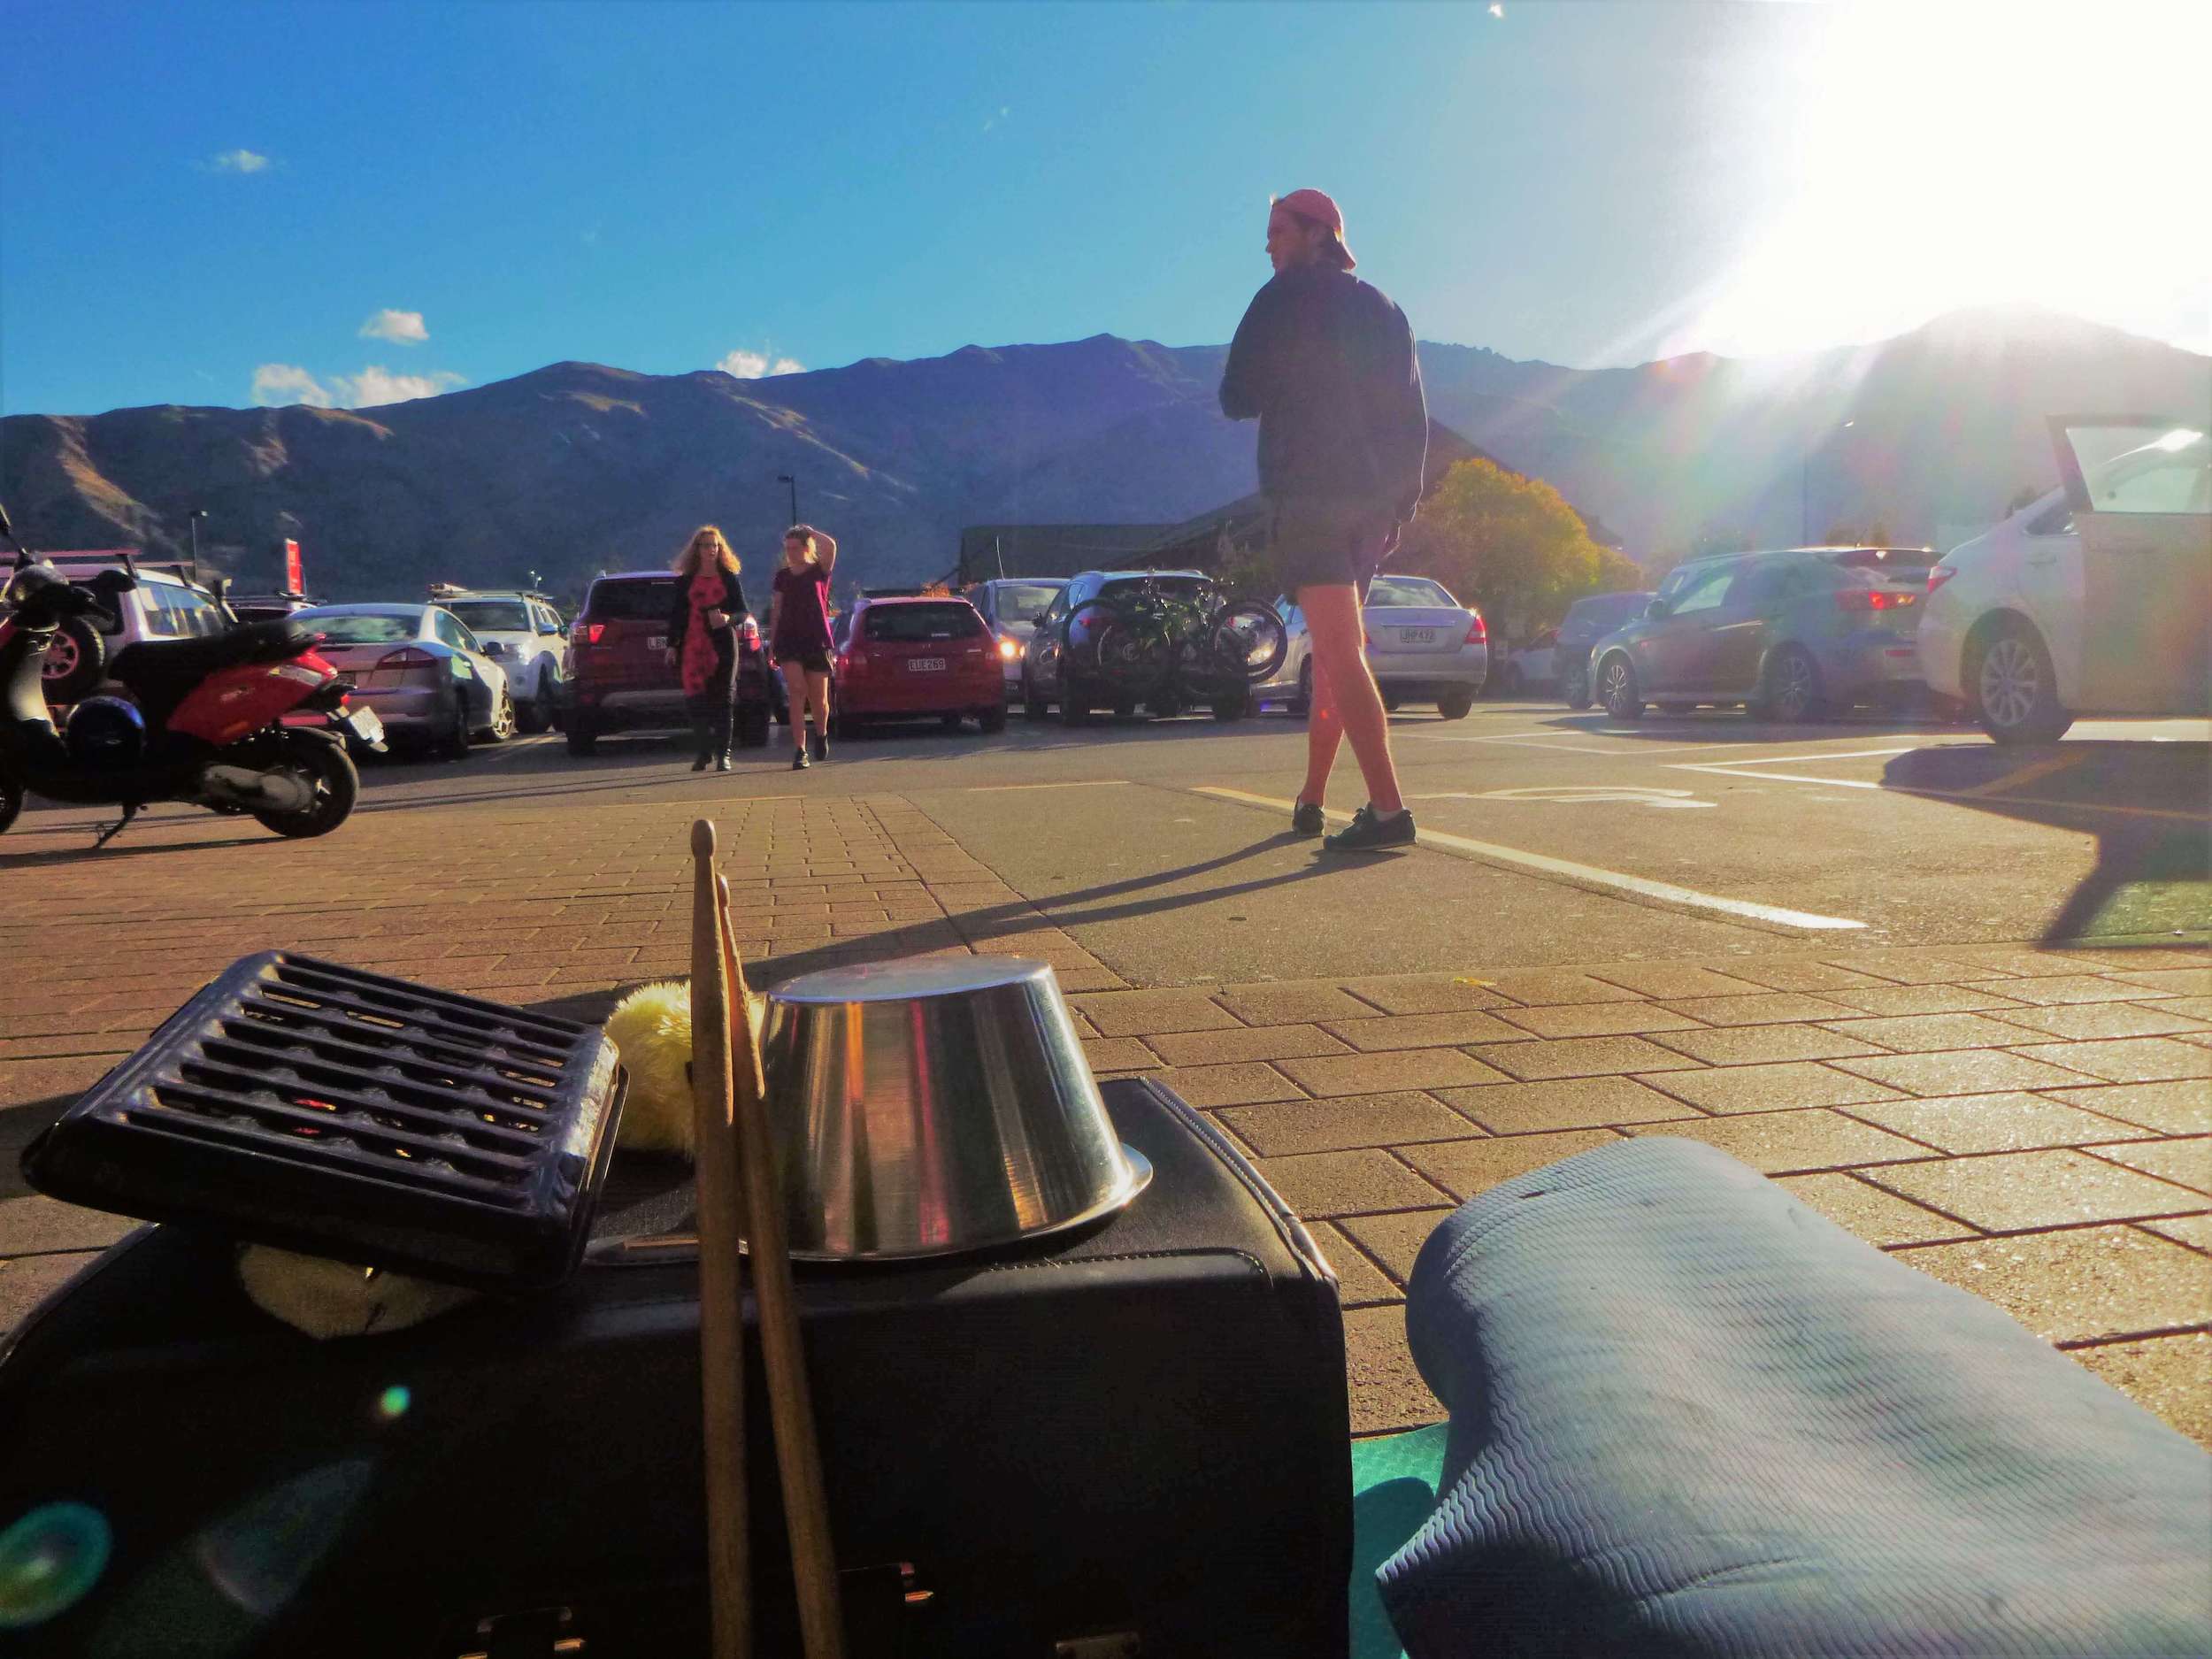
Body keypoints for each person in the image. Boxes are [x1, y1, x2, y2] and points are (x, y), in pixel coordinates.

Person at [1220, 188, 1429, 852]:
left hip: (1308, 497)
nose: (1269, 244)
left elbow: (1236, 396)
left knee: (1339, 653)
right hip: (1369, 508)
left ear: (1317, 234)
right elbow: (1412, 419)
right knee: (1342, 654)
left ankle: (1390, 811)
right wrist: (1400, 506)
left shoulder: (1278, 299)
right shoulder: (1384, 309)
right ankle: (1312, 796)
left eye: (1278, 230)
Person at [664, 525, 749, 772]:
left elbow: (743, 612)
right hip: (693, 645)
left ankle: (724, 755)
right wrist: (672, 645)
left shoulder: (729, 578)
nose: (711, 549)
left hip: (722, 645)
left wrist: (728, 619)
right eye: (706, 545)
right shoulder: (685, 582)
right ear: (697, 549)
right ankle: (703, 753)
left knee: (724, 701)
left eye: (715, 545)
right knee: (696, 702)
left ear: (720, 549)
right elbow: (677, 615)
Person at [768, 524, 839, 770]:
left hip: (817, 640)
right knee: (796, 691)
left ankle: (821, 734)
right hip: (789, 641)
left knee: (818, 700)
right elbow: (776, 611)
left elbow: (830, 546)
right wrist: (773, 644)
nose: (791, 552)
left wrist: (811, 531)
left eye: (795, 548)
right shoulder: (783, 576)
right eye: (787, 548)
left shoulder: (820, 570)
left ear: (806, 547)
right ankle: (800, 750)